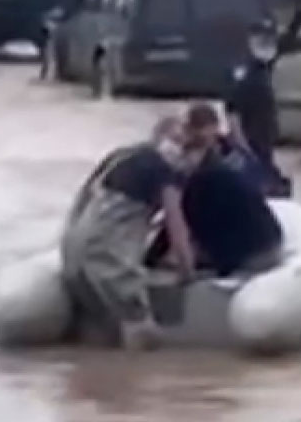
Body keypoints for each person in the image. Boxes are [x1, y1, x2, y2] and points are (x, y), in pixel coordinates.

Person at [59, 116, 199, 349]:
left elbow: (84, 196)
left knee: (100, 333)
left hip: (74, 249)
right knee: (143, 333)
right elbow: (177, 226)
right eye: (178, 141)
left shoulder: (120, 156)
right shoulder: (164, 171)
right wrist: (187, 270)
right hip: (108, 257)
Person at [174, 103, 285, 276]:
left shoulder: (199, 181)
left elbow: (181, 227)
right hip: (269, 240)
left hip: (251, 256)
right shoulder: (230, 157)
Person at [223, 21, 291, 197]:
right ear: (250, 41)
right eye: (261, 40)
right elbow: (233, 115)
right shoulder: (245, 75)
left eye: (269, 39)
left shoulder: (265, 72)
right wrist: (244, 149)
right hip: (251, 147)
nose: (266, 45)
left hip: (264, 146)